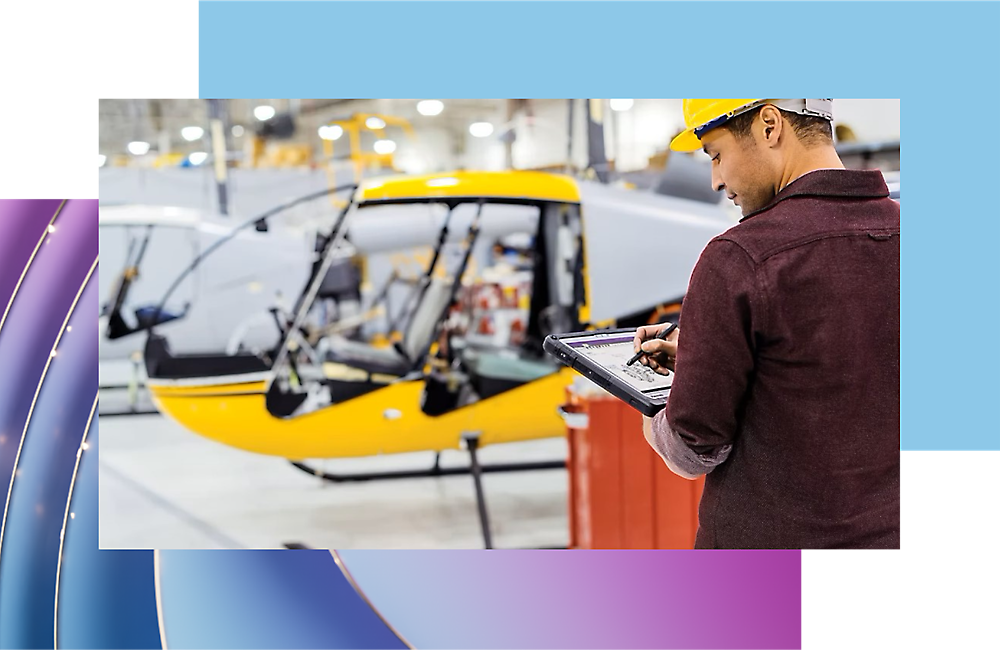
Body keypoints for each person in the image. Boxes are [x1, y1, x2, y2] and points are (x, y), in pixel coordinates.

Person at [633, 99, 900, 549]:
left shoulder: (740, 257)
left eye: (716, 154)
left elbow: (693, 445)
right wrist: (708, 356)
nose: (717, 180)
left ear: (770, 125)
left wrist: (651, 416)